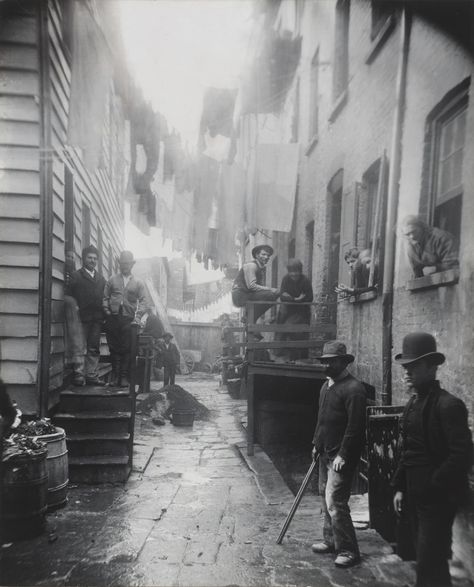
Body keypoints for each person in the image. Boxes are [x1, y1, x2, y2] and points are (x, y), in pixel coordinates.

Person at [392, 332, 473, 587]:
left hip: (438, 498)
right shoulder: (412, 405)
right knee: (425, 560)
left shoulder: (449, 405)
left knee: (430, 560)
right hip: (416, 495)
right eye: (405, 367)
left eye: (414, 366)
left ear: (432, 367)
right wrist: (401, 487)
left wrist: (433, 485)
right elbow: (408, 451)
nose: (407, 372)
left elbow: (462, 455)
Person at [311, 341, 367, 568]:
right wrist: (316, 443)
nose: (326, 365)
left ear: (343, 362)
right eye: (324, 361)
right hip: (325, 451)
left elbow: (355, 427)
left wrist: (343, 454)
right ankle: (331, 540)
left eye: (330, 361)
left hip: (340, 456)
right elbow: (321, 419)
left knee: (336, 501)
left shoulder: (354, 389)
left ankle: (348, 550)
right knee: (325, 496)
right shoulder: (326, 387)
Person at [103, 251, 146, 387]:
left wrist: (137, 317)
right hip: (113, 318)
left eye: (127, 263)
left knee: (127, 348)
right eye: (122, 264)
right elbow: (105, 297)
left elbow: (144, 301)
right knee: (114, 347)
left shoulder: (138, 282)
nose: (125, 266)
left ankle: (124, 378)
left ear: (132, 265)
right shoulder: (112, 280)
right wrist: (107, 311)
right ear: (119, 264)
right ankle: (115, 377)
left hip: (129, 320)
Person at [67, 246, 107, 386]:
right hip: (81, 319)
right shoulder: (76, 276)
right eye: (89, 258)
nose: (92, 260)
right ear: (84, 259)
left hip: (96, 319)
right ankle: (78, 375)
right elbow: (69, 296)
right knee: (79, 347)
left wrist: (103, 315)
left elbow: (104, 299)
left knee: (93, 348)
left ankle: (91, 375)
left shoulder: (101, 279)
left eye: (95, 258)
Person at [276, 259, 313, 360]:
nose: (294, 275)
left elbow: (309, 297)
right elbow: (282, 296)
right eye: (291, 272)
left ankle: (301, 360)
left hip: (301, 312)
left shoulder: (305, 280)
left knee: (299, 335)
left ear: (300, 271)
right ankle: (284, 356)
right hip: (288, 311)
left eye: (296, 272)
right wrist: (295, 299)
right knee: (284, 330)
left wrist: (294, 299)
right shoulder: (285, 279)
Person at [231, 244, 280, 322]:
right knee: (272, 294)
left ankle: (249, 318)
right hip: (240, 295)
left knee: (272, 296)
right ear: (257, 255)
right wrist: (270, 289)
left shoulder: (259, 268)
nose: (266, 257)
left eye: (268, 255)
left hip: (246, 294)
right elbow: (252, 286)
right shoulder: (252, 266)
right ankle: (249, 318)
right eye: (263, 254)